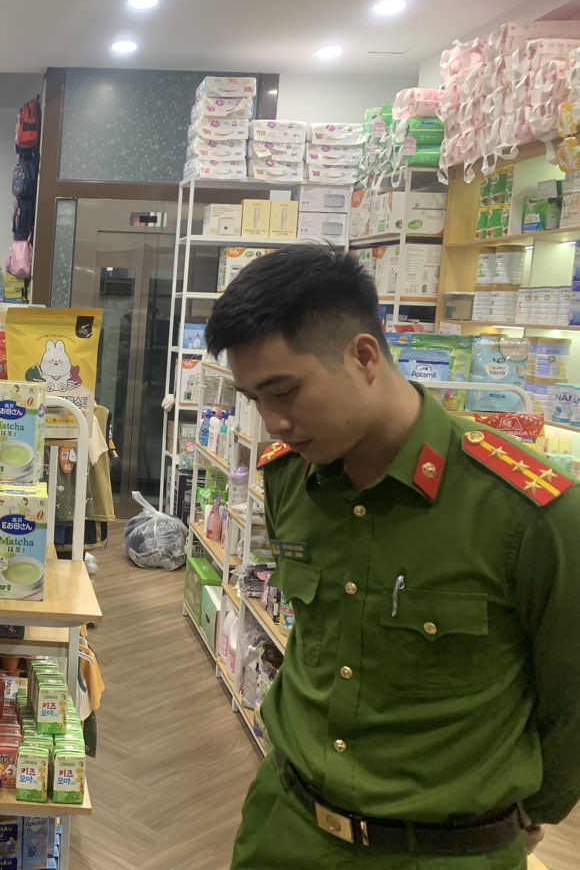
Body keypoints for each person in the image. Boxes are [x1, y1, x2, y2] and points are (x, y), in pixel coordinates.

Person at [204, 244, 580, 868]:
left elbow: (572, 703)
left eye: (285, 392)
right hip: (286, 828)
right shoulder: (291, 480)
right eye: (253, 399)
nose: (273, 423)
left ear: (364, 356)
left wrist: (526, 814)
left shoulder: (530, 511)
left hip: (443, 851)